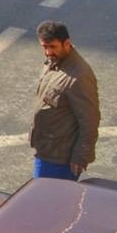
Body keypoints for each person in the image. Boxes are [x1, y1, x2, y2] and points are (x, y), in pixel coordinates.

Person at [29, 21, 100, 181]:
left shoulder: (79, 76)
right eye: (44, 47)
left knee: (48, 202)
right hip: (46, 150)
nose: (48, 52)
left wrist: (80, 157)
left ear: (66, 43)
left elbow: (89, 121)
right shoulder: (54, 62)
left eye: (52, 47)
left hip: (60, 159)